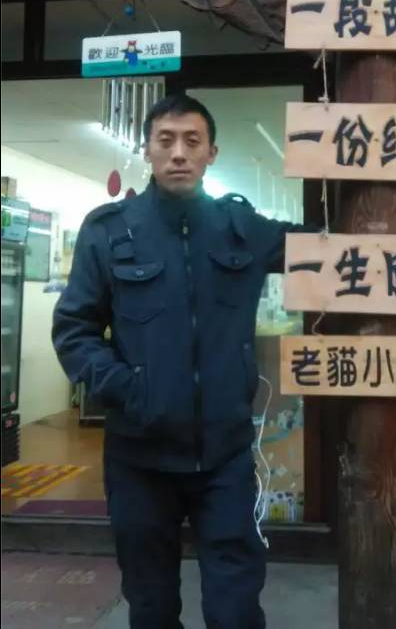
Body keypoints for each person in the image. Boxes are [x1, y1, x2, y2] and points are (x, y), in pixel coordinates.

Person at [52, 94, 310, 629]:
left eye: (192, 141)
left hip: (226, 456)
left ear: (211, 153)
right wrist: (128, 390)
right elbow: (74, 330)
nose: (178, 153)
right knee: (150, 606)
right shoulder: (109, 231)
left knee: (236, 609)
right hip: (139, 457)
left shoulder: (241, 228)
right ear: (147, 149)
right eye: (165, 140)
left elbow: (320, 248)